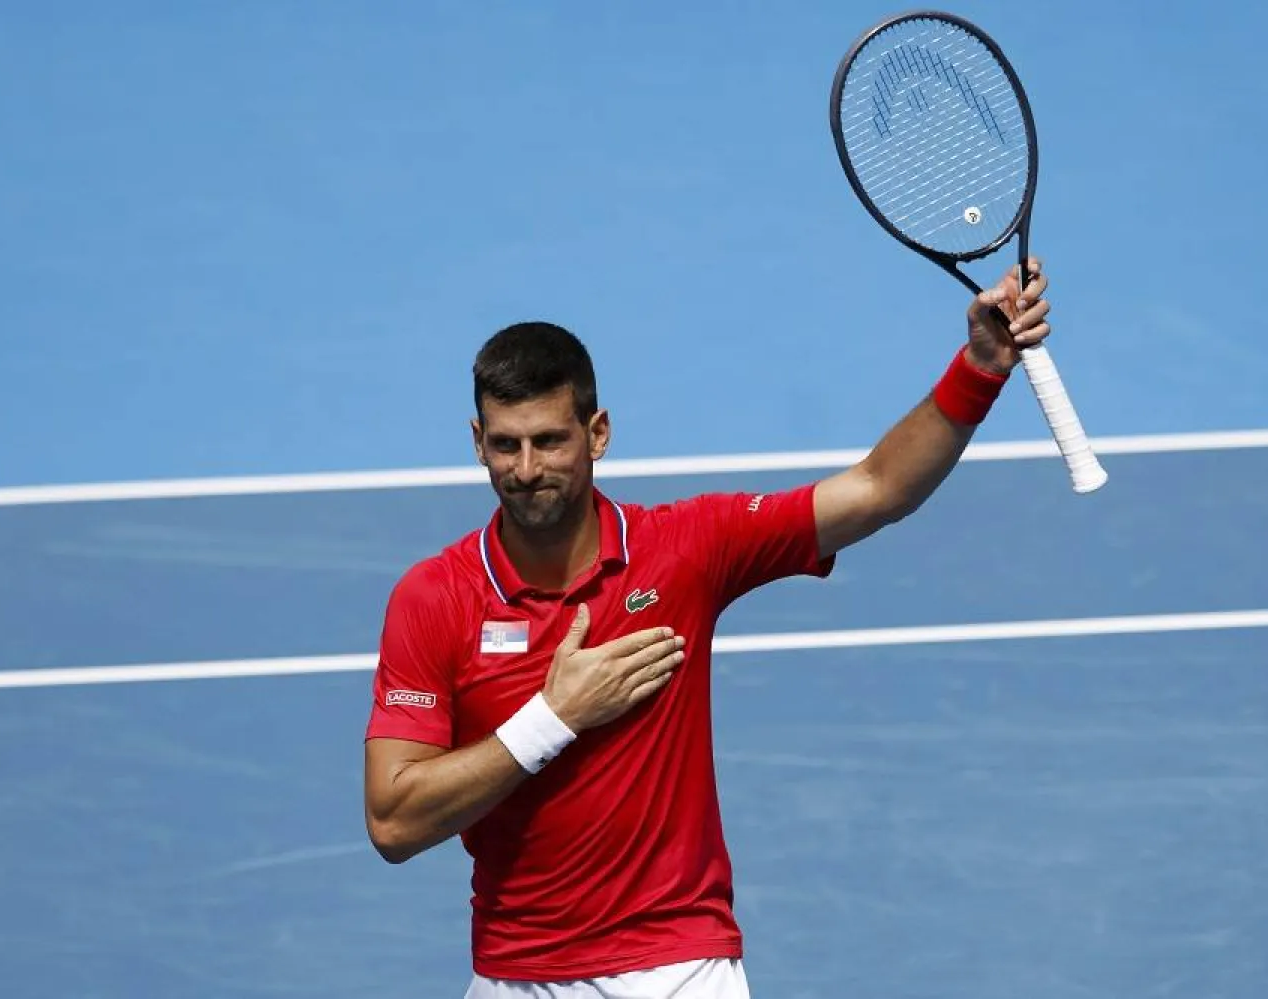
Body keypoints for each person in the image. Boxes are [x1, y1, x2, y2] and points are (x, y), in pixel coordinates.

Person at [363, 259, 1054, 997]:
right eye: (505, 444)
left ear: (597, 434)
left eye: (548, 441)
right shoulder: (434, 598)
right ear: (477, 440)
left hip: (678, 967)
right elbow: (395, 823)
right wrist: (554, 717)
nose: (527, 468)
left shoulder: (686, 549)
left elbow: (878, 489)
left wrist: (981, 367)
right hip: (515, 974)